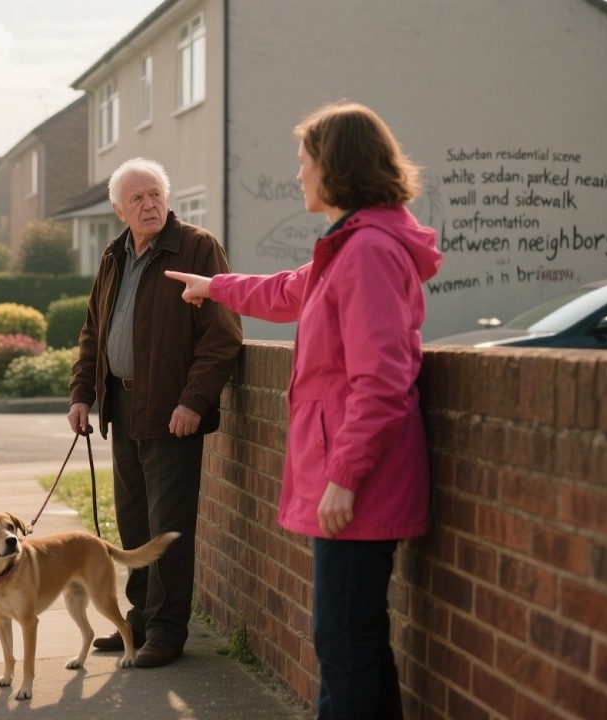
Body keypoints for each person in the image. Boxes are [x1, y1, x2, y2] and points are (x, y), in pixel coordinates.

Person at [166, 101, 441, 717]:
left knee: (343, 645)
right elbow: (288, 290)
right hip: (355, 477)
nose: (298, 175)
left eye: (305, 161)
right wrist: (213, 287)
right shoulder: (349, 246)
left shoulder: (367, 250)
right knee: (358, 642)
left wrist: (344, 477)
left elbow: (383, 378)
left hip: (360, 483)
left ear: (336, 167)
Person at [67, 157, 242, 669]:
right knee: (135, 521)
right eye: (138, 198)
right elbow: (92, 332)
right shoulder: (113, 256)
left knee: (168, 525)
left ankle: (167, 631)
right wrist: (83, 394)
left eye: (156, 195)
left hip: (171, 411)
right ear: (119, 209)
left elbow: (222, 334)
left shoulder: (196, 247)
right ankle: (139, 620)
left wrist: (194, 400)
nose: (149, 204)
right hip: (121, 406)